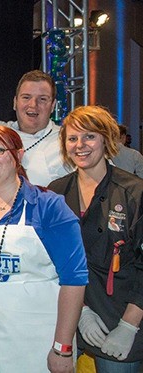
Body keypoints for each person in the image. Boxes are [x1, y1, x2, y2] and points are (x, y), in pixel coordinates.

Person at [0, 125, 88, 372]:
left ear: (19, 155)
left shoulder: (49, 208)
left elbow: (74, 280)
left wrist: (63, 347)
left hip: (41, 341)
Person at [48, 106, 143, 371]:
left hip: (121, 317)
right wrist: (81, 311)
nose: (80, 145)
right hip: (71, 315)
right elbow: (50, 258)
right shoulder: (57, 193)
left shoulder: (134, 192)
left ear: (106, 139)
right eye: (72, 138)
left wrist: (128, 325)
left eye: (89, 136)